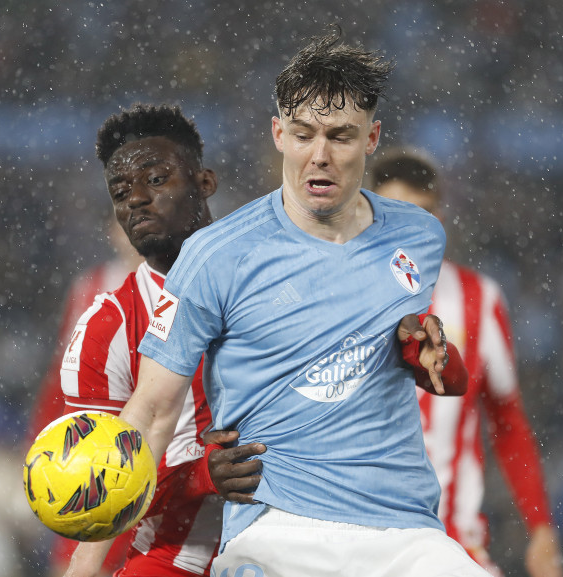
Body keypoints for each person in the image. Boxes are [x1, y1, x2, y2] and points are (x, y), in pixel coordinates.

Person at [117, 31, 491, 577]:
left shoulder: (419, 236)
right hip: (276, 533)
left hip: (407, 536)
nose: (320, 155)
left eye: (341, 136)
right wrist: (96, 531)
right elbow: (150, 411)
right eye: (303, 134)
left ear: (371, 138)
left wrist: (425, 350)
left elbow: (421, 355)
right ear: (278, 133)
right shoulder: (216, 256)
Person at [369, 147, 563, 577]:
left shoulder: (479, 300)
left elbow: (508, 420)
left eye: (420, 214)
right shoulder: (343, 297)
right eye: (394, 213)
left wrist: (541, 529)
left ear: (439, 218)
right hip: (362, 541)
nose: (409, 228)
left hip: (452, 543)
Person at [54, 104, 227, 577]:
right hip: (177, 560)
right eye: (120, 190)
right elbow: (99, 489)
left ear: (204, 183)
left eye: (155, 180)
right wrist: (198, 477)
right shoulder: (104, 328)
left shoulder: (274, 279)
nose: (136, 200)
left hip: (304, 543)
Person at [28, 213, 143, 576]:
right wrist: (40, 441)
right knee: (79, 548)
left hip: (146, 436)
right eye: (125, 223)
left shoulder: (179, 287)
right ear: (112, 232)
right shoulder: (89, 287)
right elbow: (61, 376)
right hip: (88, 443)